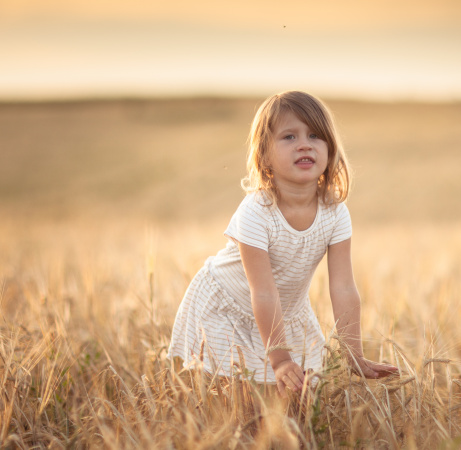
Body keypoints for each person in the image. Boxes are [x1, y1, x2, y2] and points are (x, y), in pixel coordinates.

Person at [168, 91, 398, 394]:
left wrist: (352, 353)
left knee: (294, 400)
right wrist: (279, 360)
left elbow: (343, 288)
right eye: (289, 137)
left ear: (330, 149)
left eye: (315, 135)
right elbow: (262, 292)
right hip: (229, 306)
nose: (304, 143)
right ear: (264, 156)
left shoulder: (335, 212)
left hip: (285, 310)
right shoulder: (256, 211)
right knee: (236, 400)